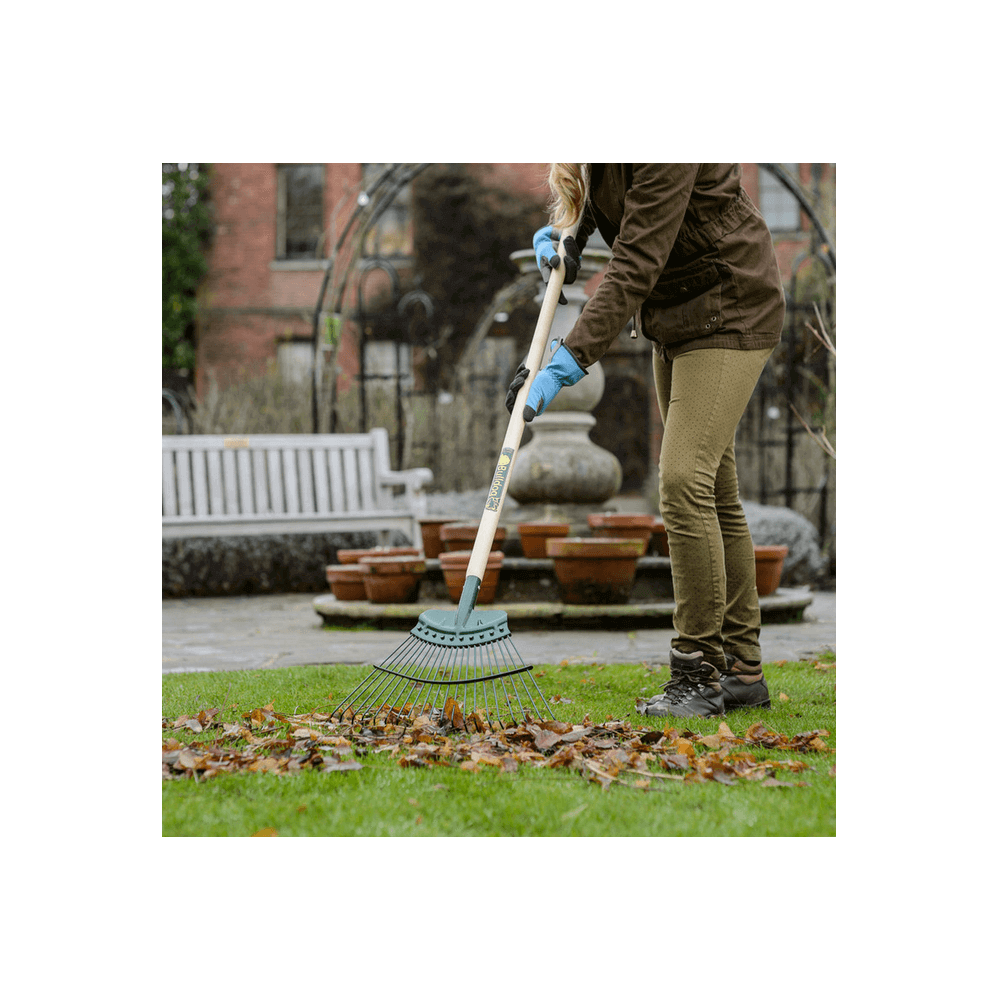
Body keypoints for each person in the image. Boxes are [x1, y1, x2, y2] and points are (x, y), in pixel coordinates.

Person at [507, 164, 785, 718]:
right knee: (714, 492)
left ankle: (698, 672)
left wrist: (565, 361)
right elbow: (612, 195)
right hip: (676, 316)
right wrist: (567, 234)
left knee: (683, 482)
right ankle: (743, 673)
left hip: (729, 303)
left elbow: (636, 259)